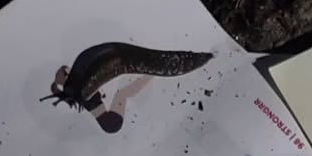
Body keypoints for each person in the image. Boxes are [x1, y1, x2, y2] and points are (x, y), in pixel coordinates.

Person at [45, 41, 213, 134]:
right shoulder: (82, 91)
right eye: (67, 71)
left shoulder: (81, 91)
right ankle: (149, 75)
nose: (70, 68)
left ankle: (150, 75)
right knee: (123, 93)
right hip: (110, 123)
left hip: (108, 122)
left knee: (123, 91)